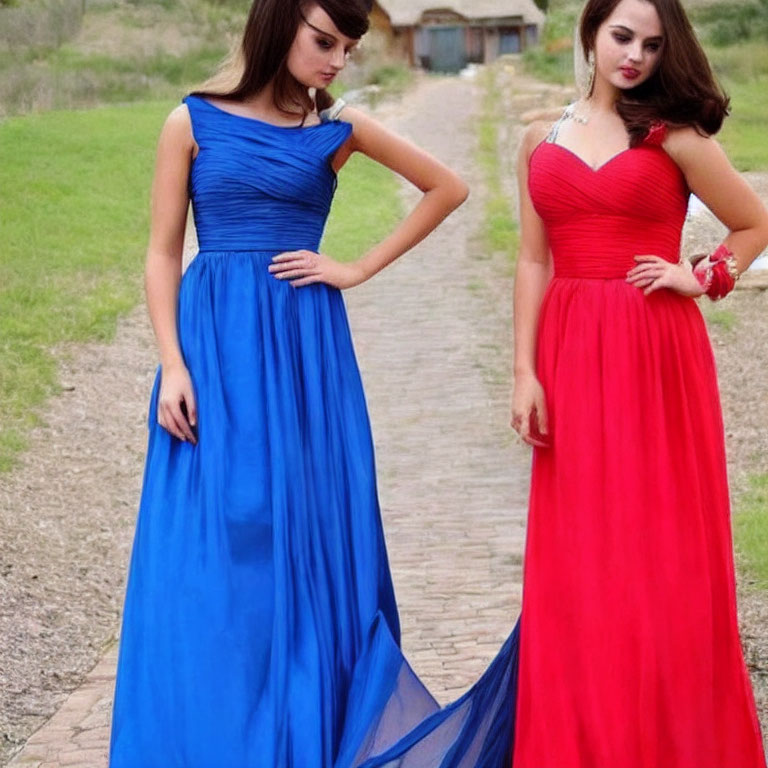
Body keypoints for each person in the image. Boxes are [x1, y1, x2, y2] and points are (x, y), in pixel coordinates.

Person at [109, 0, 521, 766]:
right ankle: (212, 732)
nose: (337, 60)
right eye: (323, 41)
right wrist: (172, 362)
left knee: (306, 529)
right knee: (218, 542)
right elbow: (164, 252)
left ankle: (309, 721)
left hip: (304, 352)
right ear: (278, 27)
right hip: (214, 349)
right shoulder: (190, 121)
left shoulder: (337, 130)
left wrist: (355, 267)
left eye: (348, 48)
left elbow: (448, 187)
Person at [510, 0, 768, 763]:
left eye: (653, 45)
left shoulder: (677, 139)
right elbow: (533, 259)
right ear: (590, 34)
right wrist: (523, 370)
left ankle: (668, 733)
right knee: (581, 553)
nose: (635, 57)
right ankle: (585, 732)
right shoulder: (538, 138)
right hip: (567, 350)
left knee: (660, 547)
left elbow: (753, 223)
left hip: (656, 353)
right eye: (622, 37)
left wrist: (702, 277)